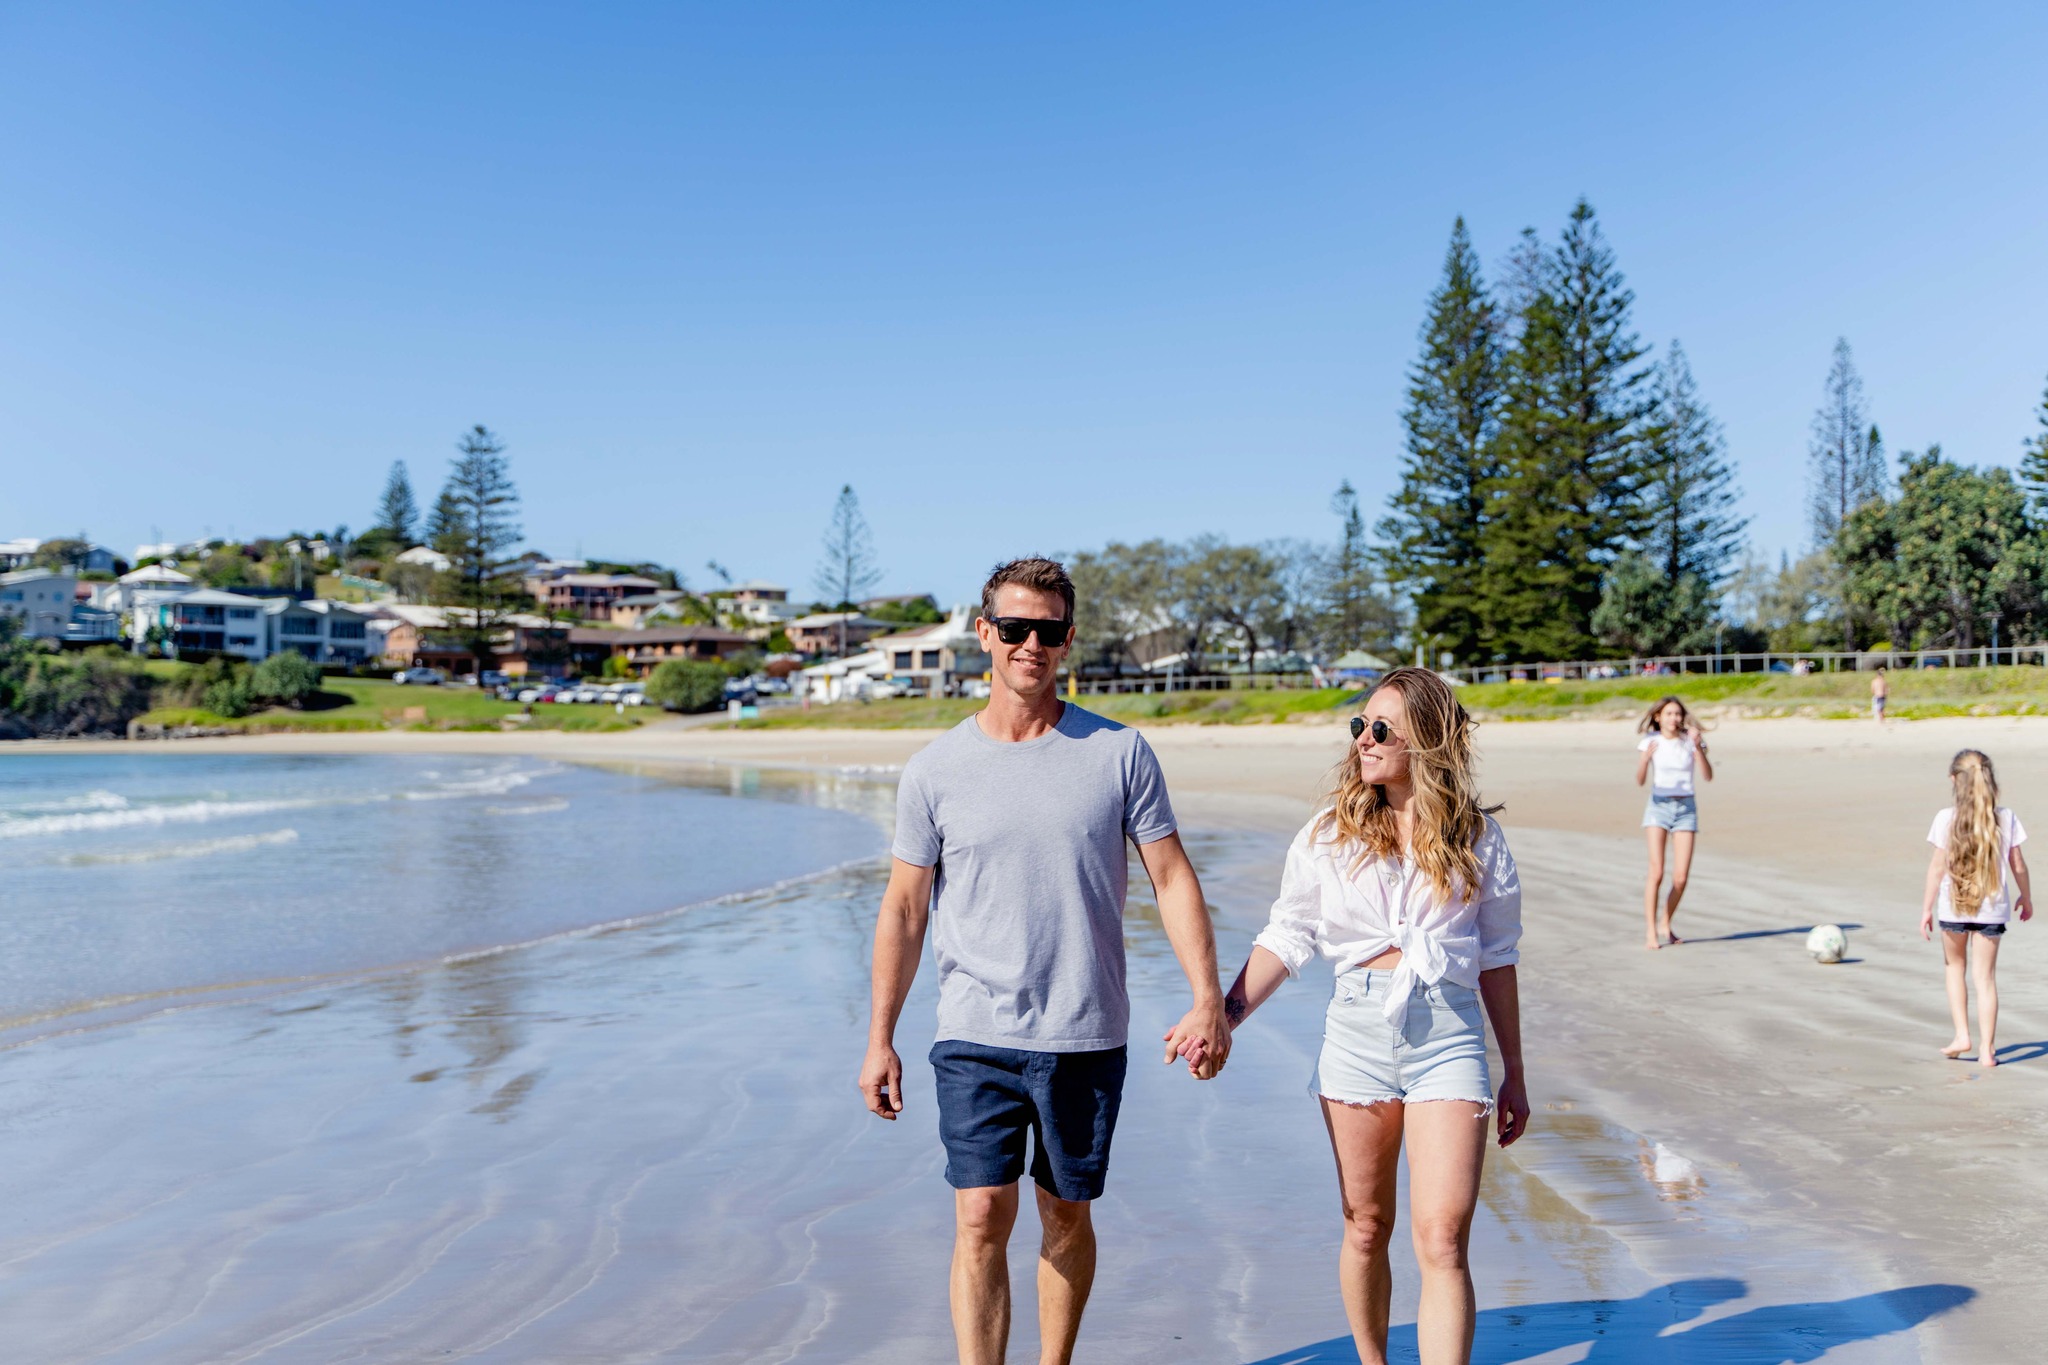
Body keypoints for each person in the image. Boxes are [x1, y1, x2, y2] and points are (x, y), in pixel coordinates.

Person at [858, 556, 1228, 1365]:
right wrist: (879, 1034)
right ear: (984, 633)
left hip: (1085, 1027)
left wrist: (1209, 998)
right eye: (1016, 627)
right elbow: (905, 907)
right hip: (973, 1029)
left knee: (1065, 1213)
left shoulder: (1119, 751)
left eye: (1049, 630)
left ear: (1068, 641)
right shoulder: (934, 770)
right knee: (980, 1212)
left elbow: (1171, 877)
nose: (1032, 643)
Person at [1212, 667, 1528, 1365]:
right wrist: (1223, 1016)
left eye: (1381, 727)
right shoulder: (1330, 832)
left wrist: (1515, 1073)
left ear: (1428, 739)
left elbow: (1498, 957)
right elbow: (1287, 936)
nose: (1364, 738)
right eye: (1359, 725)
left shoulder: (1477, 838)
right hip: (1355, 1033)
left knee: (1442, 1236)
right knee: (1365, 1224)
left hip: (1448, 1032)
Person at [1920, 749, 2032, 1068]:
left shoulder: (1945, 818)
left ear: (1955, 780)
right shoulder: (2006, 817)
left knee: (1955, 968)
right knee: (1986, 978)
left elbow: (1936, 868)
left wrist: (1927, 908)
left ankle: (1961, 1036)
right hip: (1992, 910)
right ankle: (1987, 1050)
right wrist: (2026, 896)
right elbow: (2018, 864)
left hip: (1953, 909)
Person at [1636, 695, 1713, 950]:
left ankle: (1665, 922)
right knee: (1656, 872)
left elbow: (1708, 776)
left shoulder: (1689, 741)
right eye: (1669, 714)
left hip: (1686, 808)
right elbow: (1639, 780)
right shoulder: (1651, 741)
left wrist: (1698, 747)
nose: (1674, 718)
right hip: (1658, 807)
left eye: (1678, 714)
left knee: (1680, 877)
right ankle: (1650, 931)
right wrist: (1645, 759)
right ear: (1658, 717)